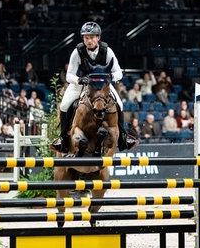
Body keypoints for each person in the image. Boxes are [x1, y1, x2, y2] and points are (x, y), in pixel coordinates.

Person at [51, 21, 139, 153]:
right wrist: (79, 79)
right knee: (64, 105)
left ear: (98, 37)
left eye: (92, 37)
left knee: (119, 104)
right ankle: (63, 139)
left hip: (102, 85)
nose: (89, 40)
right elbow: (69, 75)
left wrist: (109, 78)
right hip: (82, 84)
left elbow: (119, 72)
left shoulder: (107, 51)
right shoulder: (78, 52)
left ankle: (123, 138)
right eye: (86, 38)